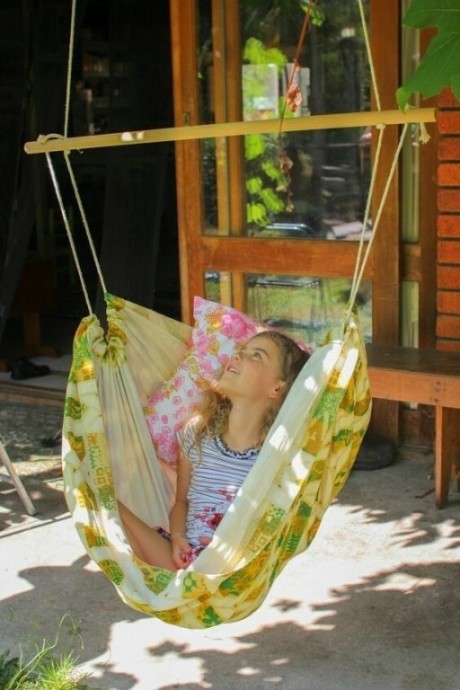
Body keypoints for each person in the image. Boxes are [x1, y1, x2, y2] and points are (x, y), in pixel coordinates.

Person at [119, 330, 309, 571]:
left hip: (231, 568)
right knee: (106, 504)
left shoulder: (276, 455)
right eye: (241, 351)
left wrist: (231, 551)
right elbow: (181, 502)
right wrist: (178, 538)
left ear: (277, 388)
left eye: (256, 355)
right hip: (182, 558)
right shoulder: (197, 434)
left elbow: (276, 525)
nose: (238, 356)